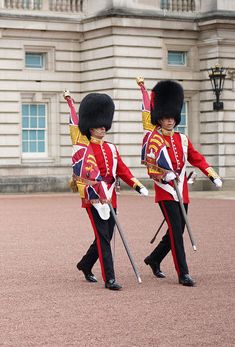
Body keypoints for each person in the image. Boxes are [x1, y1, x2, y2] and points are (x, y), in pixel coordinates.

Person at [143, 80, 223, 287]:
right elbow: (151, 165)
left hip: (182, 191)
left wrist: (212, 175)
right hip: (165, 191)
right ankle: (183, 273)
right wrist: (163, 177)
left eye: (172, 117)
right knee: (177, 231)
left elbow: (197, 158)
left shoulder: (182, 139)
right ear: (159, 118)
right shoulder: (154, 139)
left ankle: (154, 258)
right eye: (166, 117)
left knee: (177, 231)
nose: (170, 120)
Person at [71, 93, 148, 291]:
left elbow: (122, 170)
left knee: (105, 236)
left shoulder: (111, 149)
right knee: (104, 238)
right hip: (94, 198)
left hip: (111, 197)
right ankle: (110, 278)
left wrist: (138, 185)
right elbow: (83, 172)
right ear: (90, 127)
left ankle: (86, 264)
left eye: (104, 124)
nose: (103, 127)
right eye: (99, 125)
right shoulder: (85, 148)